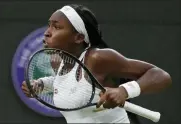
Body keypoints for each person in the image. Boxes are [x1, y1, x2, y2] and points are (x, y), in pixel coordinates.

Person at [21, 4, 172, 123]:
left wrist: (124, 91)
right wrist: (41, 85)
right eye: (49, 25)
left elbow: (161, 76)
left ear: (79, 37)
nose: (47, 32)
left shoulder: (97, 58)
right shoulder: (59, 62)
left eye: (57, 27)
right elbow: (70, 84)